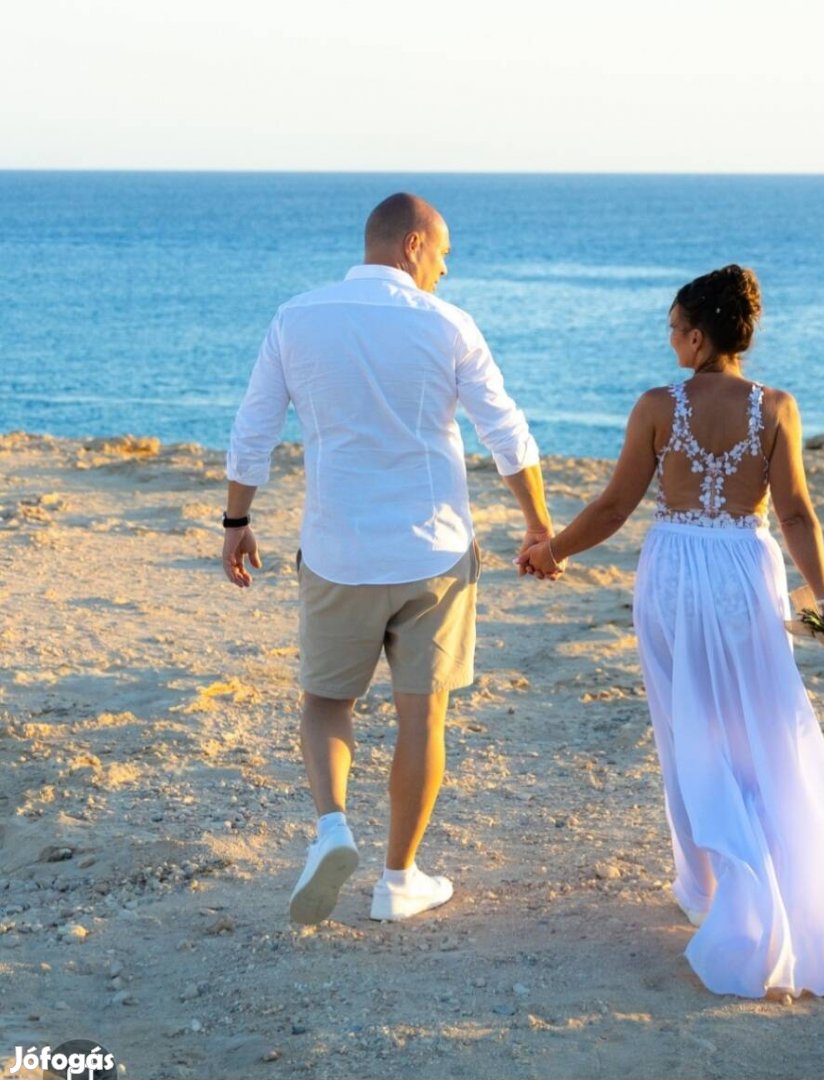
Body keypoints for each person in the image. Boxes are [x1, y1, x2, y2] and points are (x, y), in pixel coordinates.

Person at [520, 265, 824, 999]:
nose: (670, 339)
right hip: (745, 570)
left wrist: (553, 551)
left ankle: (710, 887)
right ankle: (770, 877)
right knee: (759, 724)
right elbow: (795, 514)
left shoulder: (657, 406)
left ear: (699, 337)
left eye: (675, 328)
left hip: (674, 573)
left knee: (687, 726)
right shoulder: (777, 407)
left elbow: (614, 507)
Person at [222, 193, 556, 925]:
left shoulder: (296, 318)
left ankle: (332, 828)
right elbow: (506, 431)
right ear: (412, 244)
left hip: (337, 550)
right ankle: (398, 880)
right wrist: (537, 525)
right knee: (422, 715)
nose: (444, 269)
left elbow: (253, 430)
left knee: (325, 703)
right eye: (442, 253)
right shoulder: (447, 324)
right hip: (433, 553)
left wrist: (237, 520)